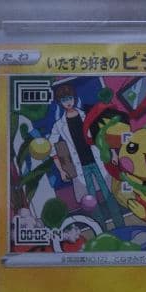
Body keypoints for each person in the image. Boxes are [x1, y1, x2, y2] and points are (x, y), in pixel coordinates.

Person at [45, 83, 123, 228]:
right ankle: (100, 229)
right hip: (81, 166)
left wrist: (112, 152)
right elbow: (52, 148)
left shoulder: (88, 115)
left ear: (74, 98)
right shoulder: (59, 125)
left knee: (109, 194)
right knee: (90, 201)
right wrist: (61, 170)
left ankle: (121, 226)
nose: (68, 102)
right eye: (64, 100)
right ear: (60, 103)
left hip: (98, 160)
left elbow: (103, 135)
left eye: (70, 98)